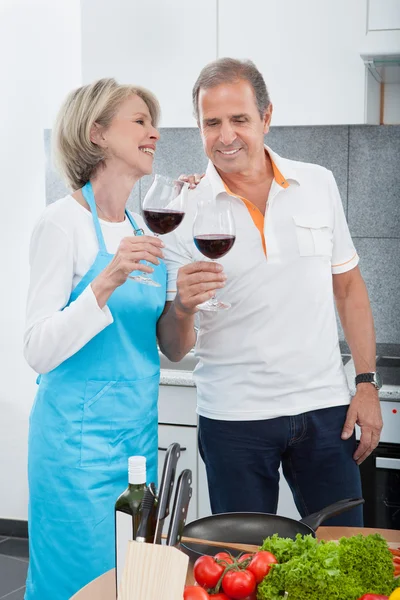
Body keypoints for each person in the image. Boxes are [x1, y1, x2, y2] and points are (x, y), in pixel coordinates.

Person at [162, 58, 383, 526]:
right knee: (243, 565)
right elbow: (175, 345)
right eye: (212, 123)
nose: (226, 136)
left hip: (326, 409)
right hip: (233, 418)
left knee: (344, 554)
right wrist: (182, 307)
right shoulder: (182, 207)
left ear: (266, 117)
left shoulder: (317, 182)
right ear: (199, 128)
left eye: (239, 119)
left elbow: (348, 288)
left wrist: (365, 383)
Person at [23, 77, 218, 600]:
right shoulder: (62, 224)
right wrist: (107, 279)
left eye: (153, 123)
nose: (154, 133)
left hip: (135, 450)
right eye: (140, 121)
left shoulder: (142, 228)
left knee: (132, 584)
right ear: (97, 134)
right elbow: (37, 349)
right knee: (80, 585)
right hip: (75, 453)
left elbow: (172, 347)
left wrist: (182, 306)